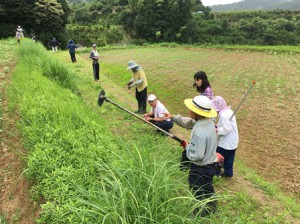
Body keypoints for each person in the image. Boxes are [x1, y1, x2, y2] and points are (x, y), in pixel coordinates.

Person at [163, 95, 218, 216]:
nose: (189, 110)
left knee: (197, 191)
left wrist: (187, 147)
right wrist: (173, 117)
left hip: (199, 168)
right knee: (208, 187)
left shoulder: (199, 132)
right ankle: (212, 207)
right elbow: (188, 122)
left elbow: (197, 155)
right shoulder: (209, 123)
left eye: (191, 108)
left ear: (197, 112)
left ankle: (199, 215)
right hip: (211, 165)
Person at [211, 96, 239, 178]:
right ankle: (228, 173)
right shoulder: (229, 112)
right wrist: (217, 126)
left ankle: (216, 172)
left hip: (226, 142)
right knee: (229, 159)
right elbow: (224, 125)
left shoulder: (224, 115)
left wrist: (217, 130)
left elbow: (227, 129)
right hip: (233, 141)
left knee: (218, 156)